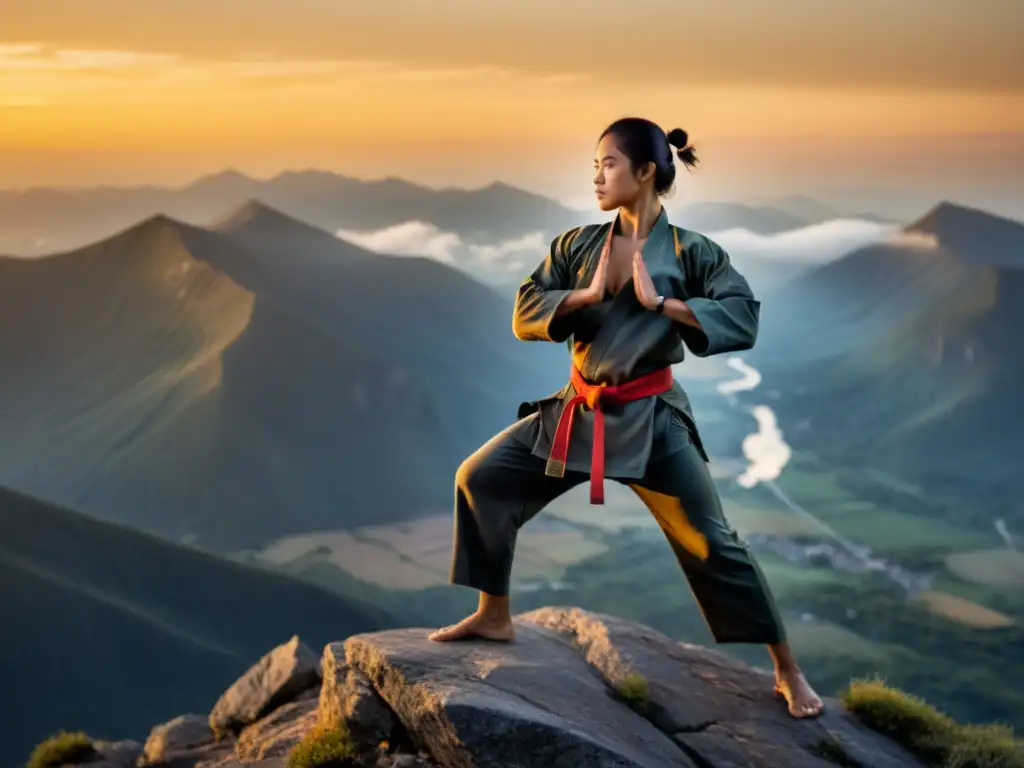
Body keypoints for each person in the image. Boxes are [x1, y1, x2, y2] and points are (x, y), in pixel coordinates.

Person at [428, 116, 824, 719]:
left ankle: (788, 670)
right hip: (578, 411)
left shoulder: (693, 252)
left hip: (652, 421)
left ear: (644, 172)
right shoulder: (577, 245)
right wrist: (583, 298)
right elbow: (525, 308)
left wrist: (663, 304)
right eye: (593, 165)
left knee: (715, 546)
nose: (595, 176)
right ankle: (494, 615)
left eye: (607, 164)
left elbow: (743, 315)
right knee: (480, 478)